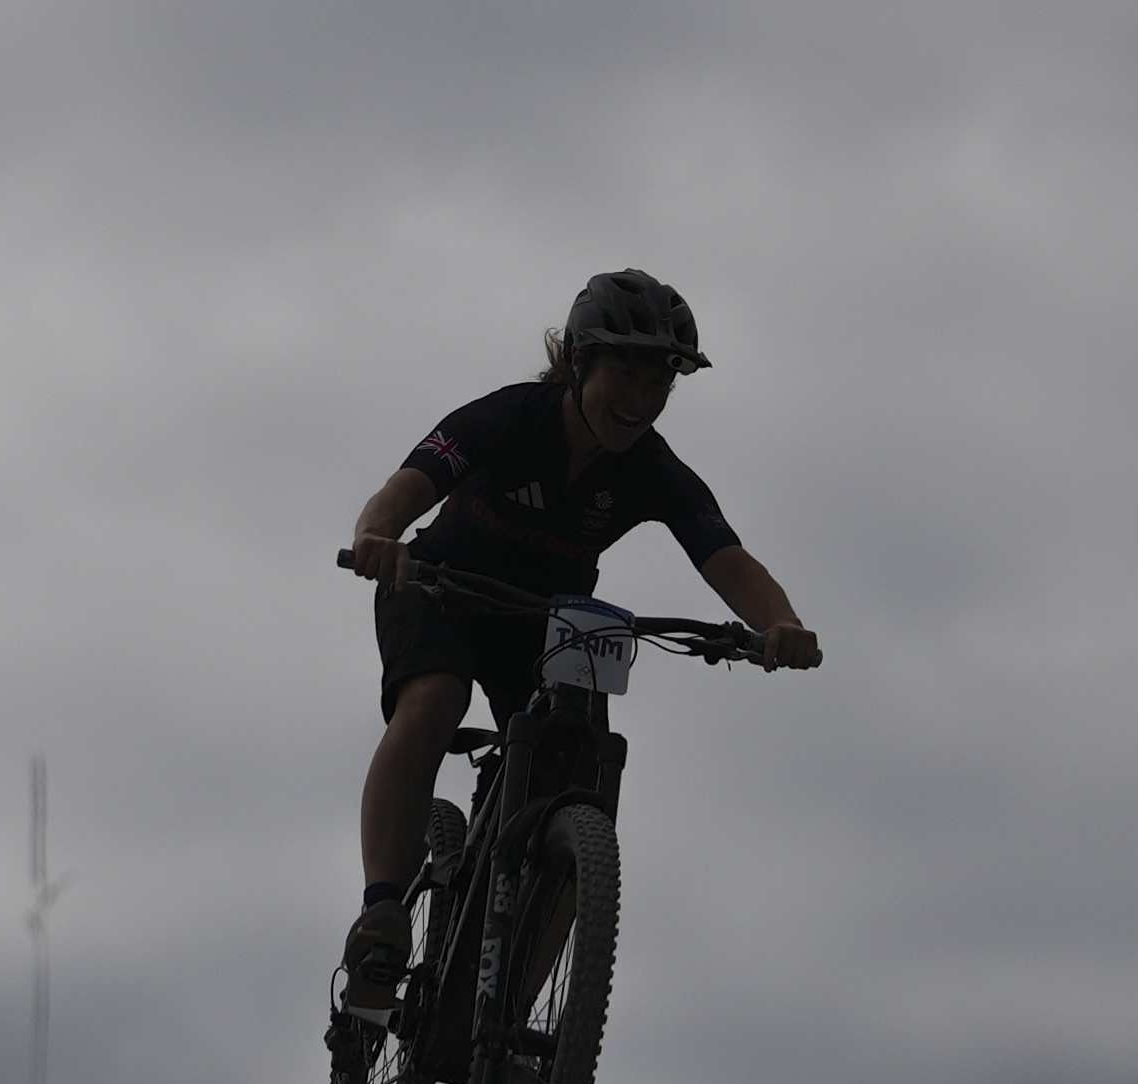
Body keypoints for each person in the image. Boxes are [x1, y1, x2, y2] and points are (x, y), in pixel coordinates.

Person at [337, 269, 823, 1016]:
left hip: (543, 619)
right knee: (435, 697)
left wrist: (779, 624)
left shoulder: (653, 470)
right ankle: (381, 913)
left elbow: (727, 558)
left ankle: (516, 1019)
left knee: (580, 777)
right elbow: (409, 484)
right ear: (576, 363)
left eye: (658, 386)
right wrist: (377, 535)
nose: (639, 403)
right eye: (624, 376)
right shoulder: (506, 417)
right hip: (440, 589)